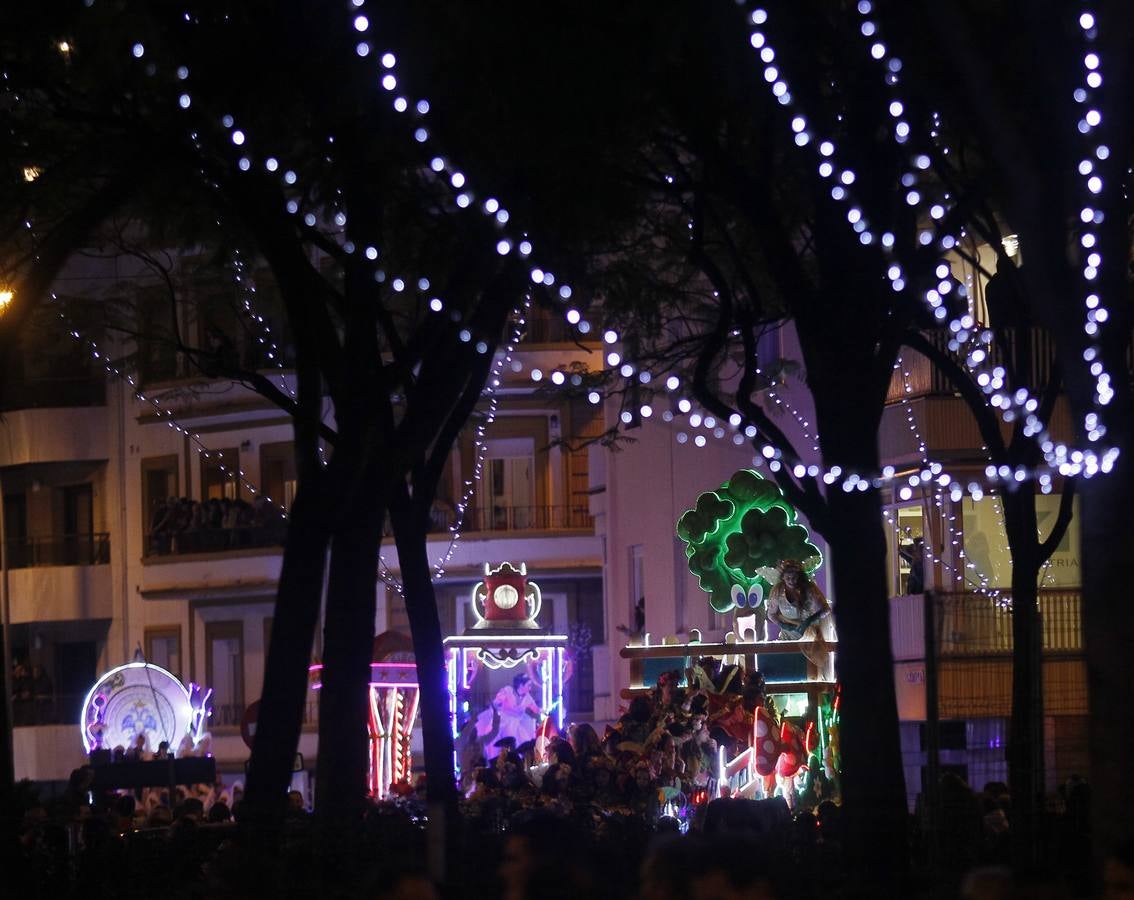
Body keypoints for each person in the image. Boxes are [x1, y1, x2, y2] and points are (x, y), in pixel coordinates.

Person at [766, 560, 835, 679]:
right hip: (787, 637)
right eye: (788, 578)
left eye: (794, 577)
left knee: (812, 675)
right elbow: (771, 615)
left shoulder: (809, 589)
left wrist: (809, 620)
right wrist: (784, 625)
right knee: (788, 673)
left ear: (799, 576)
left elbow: (826, 609)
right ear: (783, 578)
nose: (791, 581)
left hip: (810, 638)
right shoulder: (778, 591)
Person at [490, 674, 542, 757]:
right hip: (506, 719)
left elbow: (536, 709)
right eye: (528, 685)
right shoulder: (508, 691)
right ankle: (507, 754)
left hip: (521, 720)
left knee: (525, 737)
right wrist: (497, 708)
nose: (530, 688)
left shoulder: (528, 697)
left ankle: (520, 757)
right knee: (510, 730)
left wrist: (543, 711)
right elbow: (496, 702)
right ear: (521, 685)